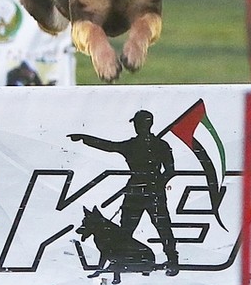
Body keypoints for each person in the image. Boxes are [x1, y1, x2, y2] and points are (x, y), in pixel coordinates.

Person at [68, 109, 179, 276]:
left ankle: (172, 261)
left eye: (137, 123)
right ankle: (123, 261)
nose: (136, 126)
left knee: (158, 227)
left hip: (143, 192)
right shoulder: (156, 145)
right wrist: (85, 139)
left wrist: (155, 185)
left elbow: (170, 171)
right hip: (141, 193)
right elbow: (109, 146)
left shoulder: (145, 145)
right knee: (130, 229)